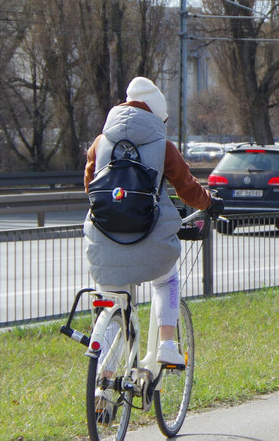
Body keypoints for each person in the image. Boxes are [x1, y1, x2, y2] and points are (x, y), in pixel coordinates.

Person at [82, 77, 224, 367]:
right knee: (166, 280)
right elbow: (187, 189)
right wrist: (209, 203)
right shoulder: (163, 146)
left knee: (111, 302)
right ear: (157, 115)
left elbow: (90, 188)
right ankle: (168, 346)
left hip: (104, 241)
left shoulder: (100, 144)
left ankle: (102, 382)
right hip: (150, 241)